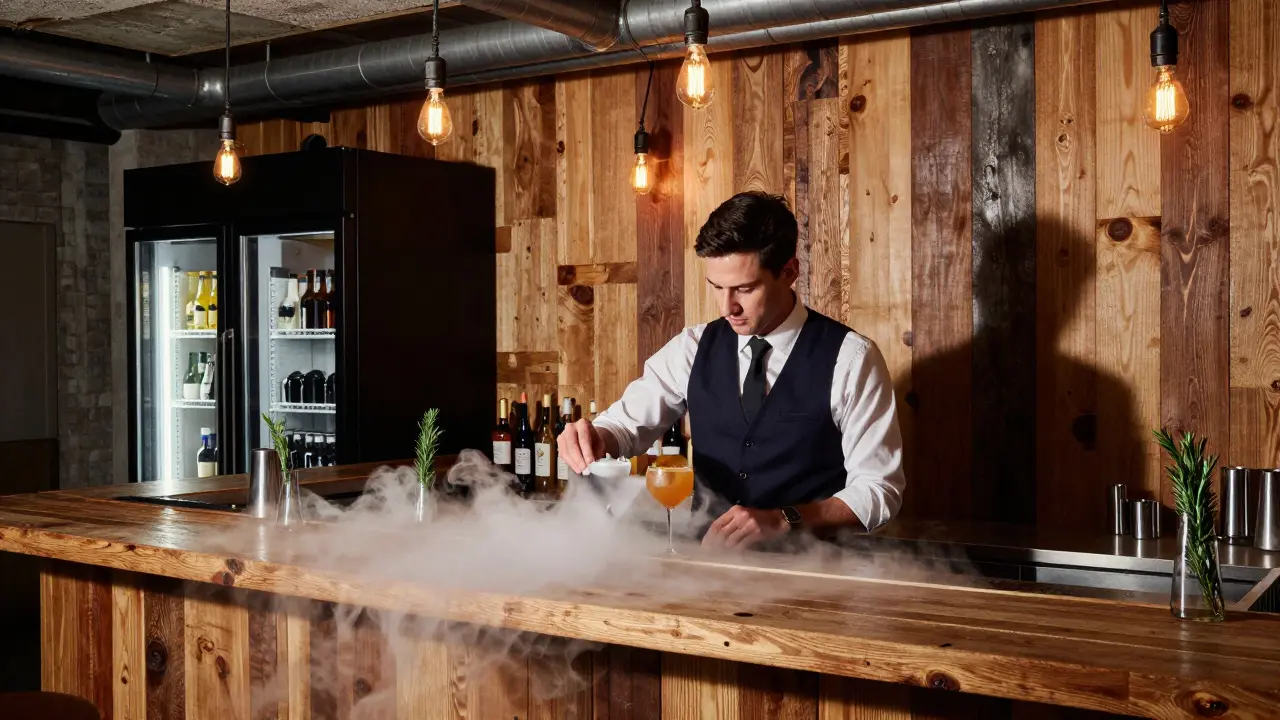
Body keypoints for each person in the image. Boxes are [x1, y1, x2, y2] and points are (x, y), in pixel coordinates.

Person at [558, 191, 905, 549]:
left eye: (745, 288)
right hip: (712, 565)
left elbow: (880, 491)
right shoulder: (692, 347)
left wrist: (785, 518)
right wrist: (596, 436)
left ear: (789, 272)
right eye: (717, 287)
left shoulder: (851, 358)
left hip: (816, 573)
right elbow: (624, 426)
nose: (728, 307)